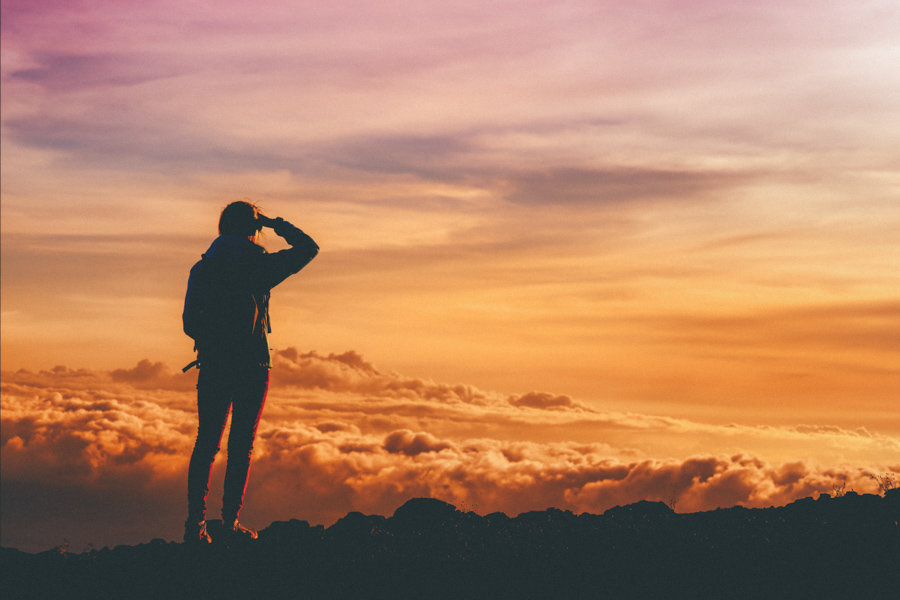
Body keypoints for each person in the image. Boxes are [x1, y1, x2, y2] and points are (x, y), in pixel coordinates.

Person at [182, 200, 319, 543]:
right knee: (241, 445)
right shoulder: (260, 266)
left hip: (214, 363)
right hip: (253, 364)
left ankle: (195, 526)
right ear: (253, 228)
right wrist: (276, 223)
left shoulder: (203, 268)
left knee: (206, 443)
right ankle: (229, 525)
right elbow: (309, 248)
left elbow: (188, 323)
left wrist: (213, 340)